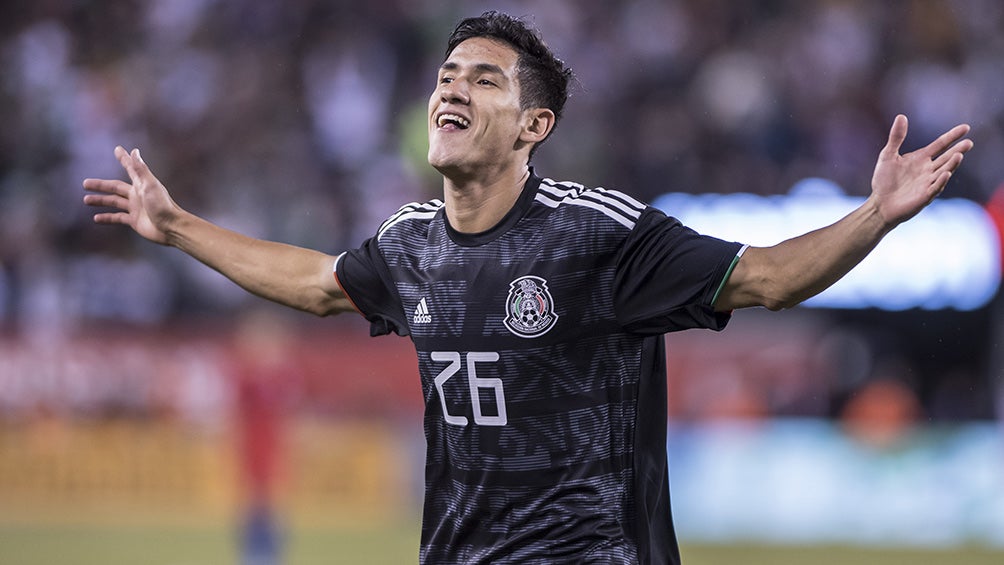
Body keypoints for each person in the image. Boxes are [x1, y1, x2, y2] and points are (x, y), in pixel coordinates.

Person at [82, 10, 973, 565]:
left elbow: (769, 278)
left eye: (483, 79)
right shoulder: (409, 245)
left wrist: (875, 216)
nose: (451, 90)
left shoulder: (601, 233)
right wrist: (178, 225)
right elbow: (316, 283)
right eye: (446, 75)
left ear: (533, 126)